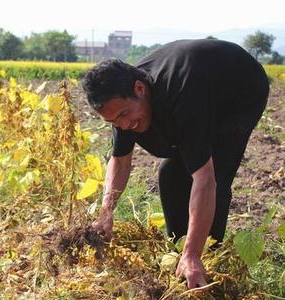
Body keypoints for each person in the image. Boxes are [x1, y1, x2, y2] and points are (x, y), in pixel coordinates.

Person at [81, 39, 269, 289]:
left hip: (239, 91)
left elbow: (204, 179)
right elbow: (120, 158)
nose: (124, 126)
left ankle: (205, 259)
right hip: (198, 88)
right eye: (114, 122)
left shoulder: (180, 92)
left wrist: (192, 254)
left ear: (140, 89)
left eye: (125, 115)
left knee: (216, 174)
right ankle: (178, 250)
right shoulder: (121, 105)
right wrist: (106, 213)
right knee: (169, 174)